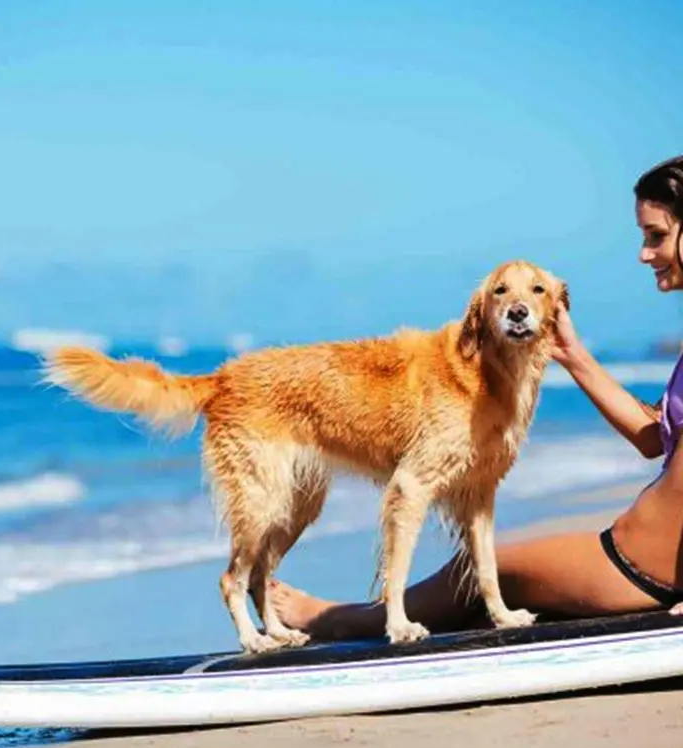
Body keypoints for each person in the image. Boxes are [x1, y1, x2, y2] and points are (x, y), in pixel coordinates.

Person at [270, 155, 683, 641]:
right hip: (638, 555)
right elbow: (656, 439)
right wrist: (573, 357)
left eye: (655, 236)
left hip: (642, 568)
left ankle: (342, 619)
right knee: (492, 582)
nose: (643, 253)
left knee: (489, 568)